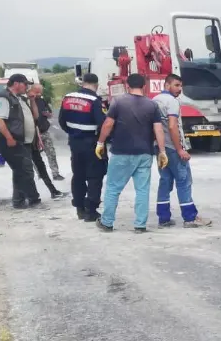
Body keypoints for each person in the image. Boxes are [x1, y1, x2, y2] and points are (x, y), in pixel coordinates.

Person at [95, 73, 168, 233]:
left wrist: (100, 142)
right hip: (144, 154)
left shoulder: (118, 102)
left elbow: (108, 124)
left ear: (127, 86)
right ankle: (140, 225)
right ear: (144, 87)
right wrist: (162, 151)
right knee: (142, 189)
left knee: (113, 188)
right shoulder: (152, 105)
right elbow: (158, 129)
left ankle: (107, 222)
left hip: (121, 152)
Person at [153, 74, 211, 228]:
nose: (179, 89)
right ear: (167, 85)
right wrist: (180, 149)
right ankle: (189, 218)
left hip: (160, 149)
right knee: (184, 181)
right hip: (172, 148)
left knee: (165, 182)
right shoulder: (172, 102)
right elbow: (172, 126)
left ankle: (163, 218)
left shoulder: (154, 101)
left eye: (180, 86)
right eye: (176, 85)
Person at [58, 72, 108, 222]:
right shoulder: (95, 100)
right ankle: (91, 211)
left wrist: (73, 133)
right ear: (96, 85)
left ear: (83, 83)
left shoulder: (67, 98)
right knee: (95, 176)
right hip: (92, 143)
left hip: (75, 143)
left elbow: (61, 121)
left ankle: (79, 208)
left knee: (78, 175)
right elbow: (102, 124)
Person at [0, 73, 41, 208]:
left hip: (24, 141)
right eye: (25, 84)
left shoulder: (20, 99)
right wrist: (9, 138)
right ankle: (33, 198)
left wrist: (32, 100)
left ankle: (19, 200)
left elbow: (35, 117)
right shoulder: (3, 98)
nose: (27, 87)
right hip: (12, 140)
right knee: (25, 169)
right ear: (17, 83)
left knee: (20, 170)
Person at [29, 84, 64, 180]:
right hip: (33, 134)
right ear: (32, 91)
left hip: (44, 131)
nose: (39, 94)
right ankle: (40, 174)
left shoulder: (42, 100)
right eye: (37, 92)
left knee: (51, 153)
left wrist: (48, 114)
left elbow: (50, 113)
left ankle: (55, 173)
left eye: (40, 92)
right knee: (35, 156)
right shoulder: (27, 101)